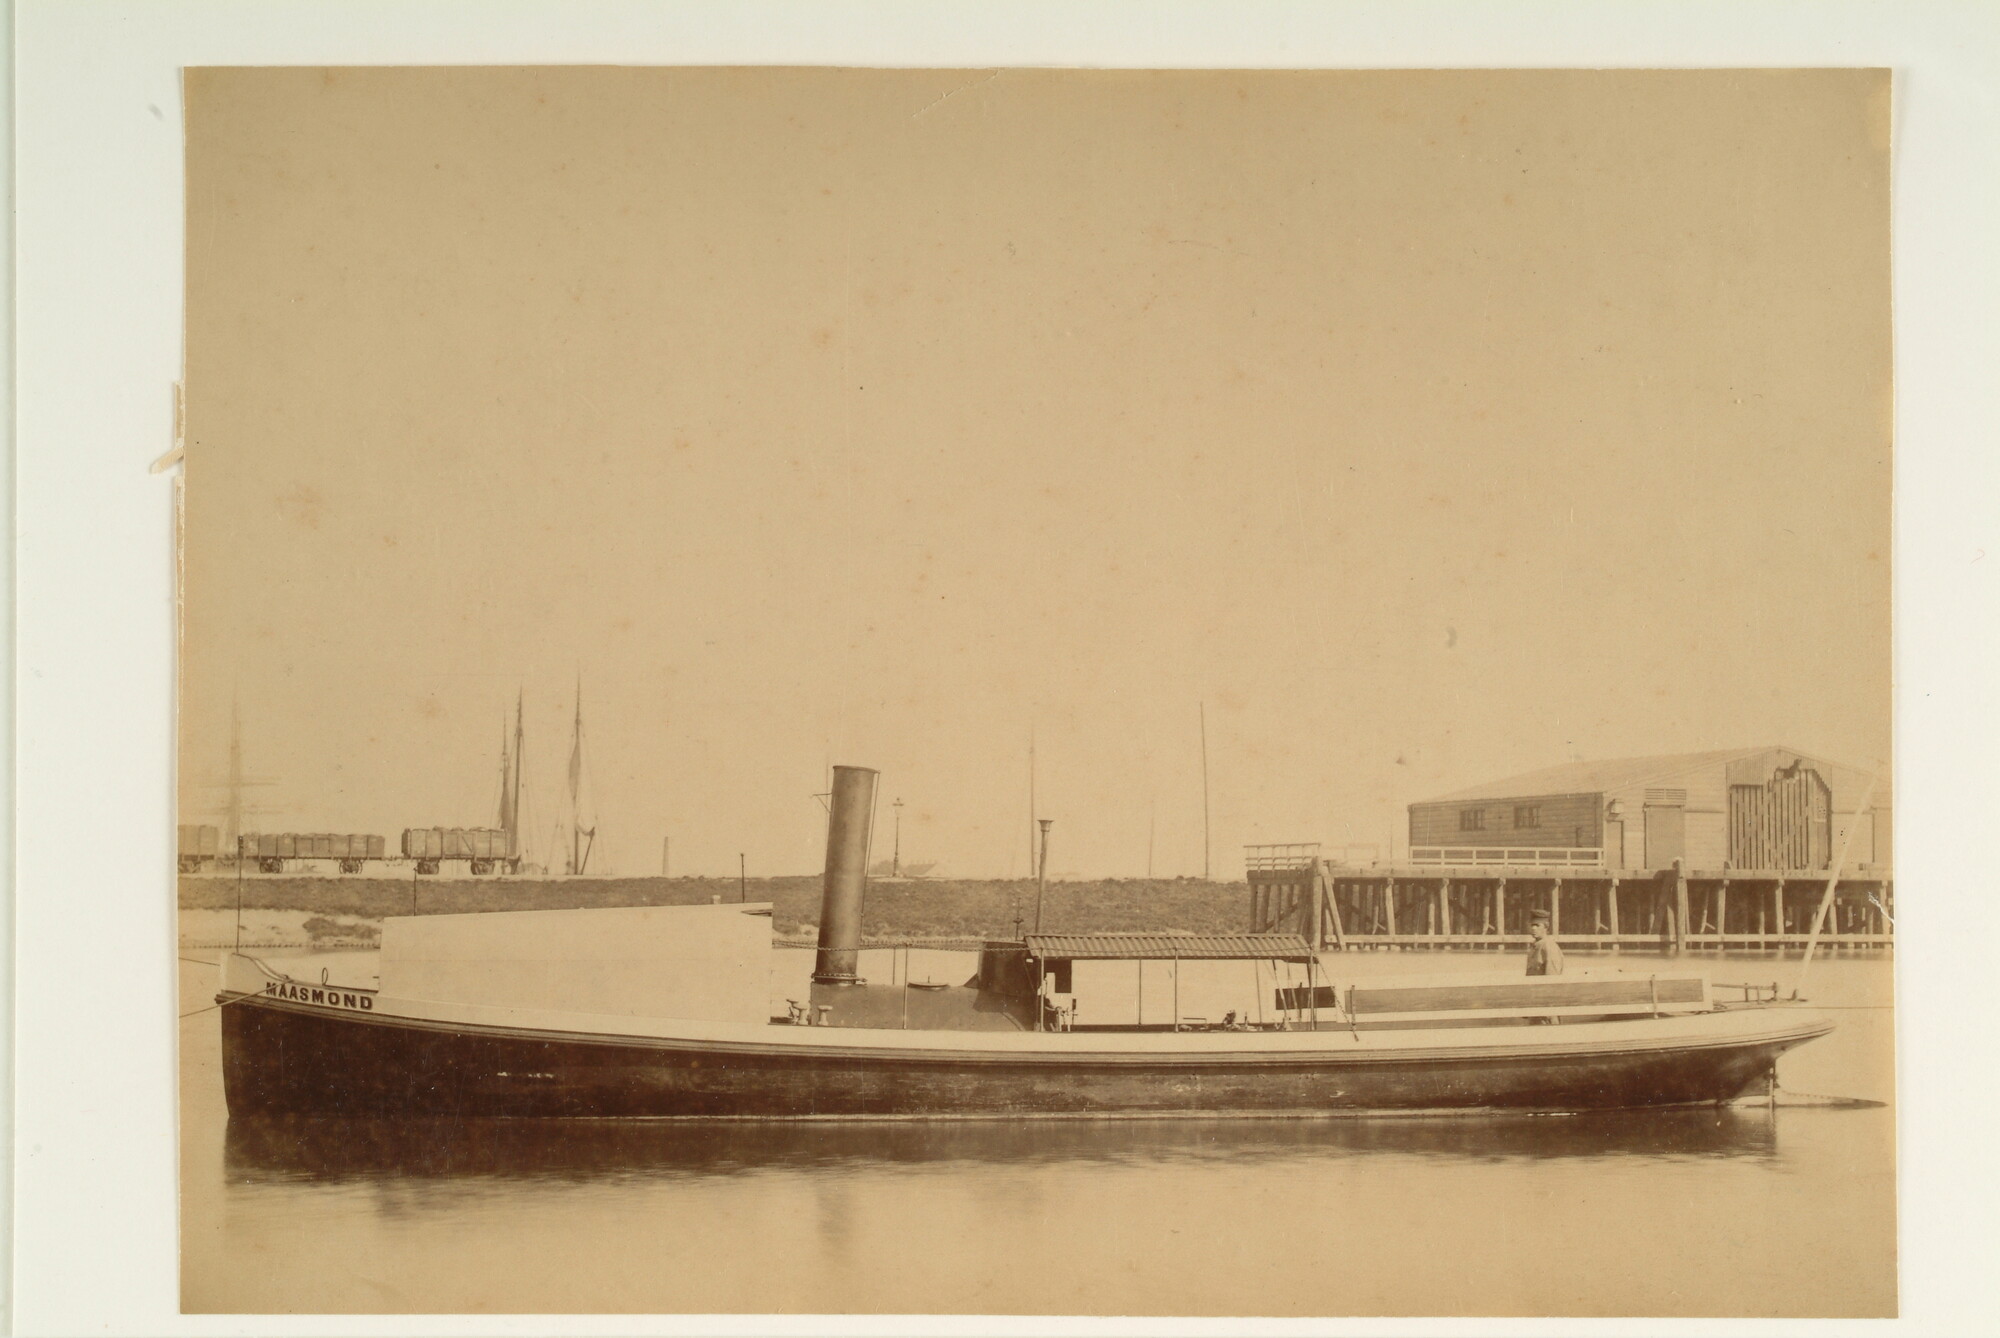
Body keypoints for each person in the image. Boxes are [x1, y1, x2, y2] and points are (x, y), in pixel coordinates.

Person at [1525, 910, 1565, 977]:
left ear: (1546, 927)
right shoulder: (1535, 945)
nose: (1533, 928)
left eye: (1537, 925)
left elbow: (1552, 977)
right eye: (1532, 925)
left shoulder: (1549, 946)